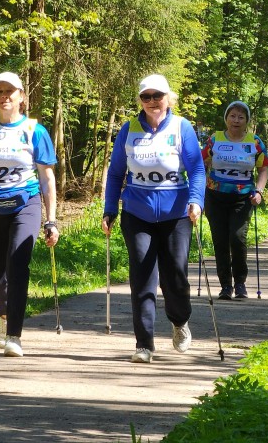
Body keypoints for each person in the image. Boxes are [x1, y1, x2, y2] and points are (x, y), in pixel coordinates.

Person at [101, 74, 205, 364]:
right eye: (145, 97)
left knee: (175, 278)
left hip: (176, 214)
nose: (151, 102)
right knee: (143, 276)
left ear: (168, 98)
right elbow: (115, 173)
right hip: (138, 213)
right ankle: (144, 343)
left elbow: (196, 169)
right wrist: (110, 208)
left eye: (157, 96)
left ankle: (179, 320)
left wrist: (196, 201)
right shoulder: (129, 129)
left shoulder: (181, 127)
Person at [0, 71, 59, 357]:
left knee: (18, 265)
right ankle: (4, 317)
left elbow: (47, 178)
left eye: (10, 91)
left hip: (25, 203)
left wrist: (51, 219)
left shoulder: (34, 130)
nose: (5, 96)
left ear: (22, 97)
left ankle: (15, 334)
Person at [201, 101, 268, 300]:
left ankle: (240, 283)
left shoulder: (254, 142)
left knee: (237, 238)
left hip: (242, 198)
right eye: (232, 116)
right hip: (215, 196)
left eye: (241, 117)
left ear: (247, 120)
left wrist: (259, 191)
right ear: (226, 118)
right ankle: (225, 286)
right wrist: (201, 186)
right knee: (220, 241)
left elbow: (263, 168)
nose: (236, 120)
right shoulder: (215, 139)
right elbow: (200, 162)